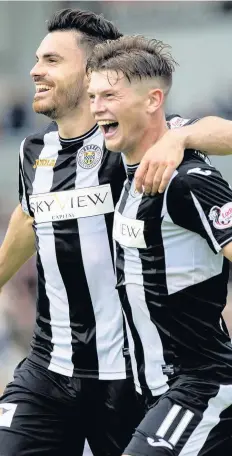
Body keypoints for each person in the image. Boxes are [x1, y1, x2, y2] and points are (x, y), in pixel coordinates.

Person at [0, 8, 232, 456]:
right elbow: (30, 218)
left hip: (130, 377)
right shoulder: (35, 151)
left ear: (88, 73)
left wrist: (181, 138)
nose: (35, 70)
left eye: (51, 60)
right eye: (36, 58)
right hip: (49, 366)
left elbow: (216, 133)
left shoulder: (135, 142)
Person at [87, 35, 232, 455]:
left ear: (153, 100)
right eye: (94, 95)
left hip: (201, 383)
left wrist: (179, 139)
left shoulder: (185, 181)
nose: (97, 107)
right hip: (148, 390)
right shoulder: (125, 168)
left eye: (110, 95)